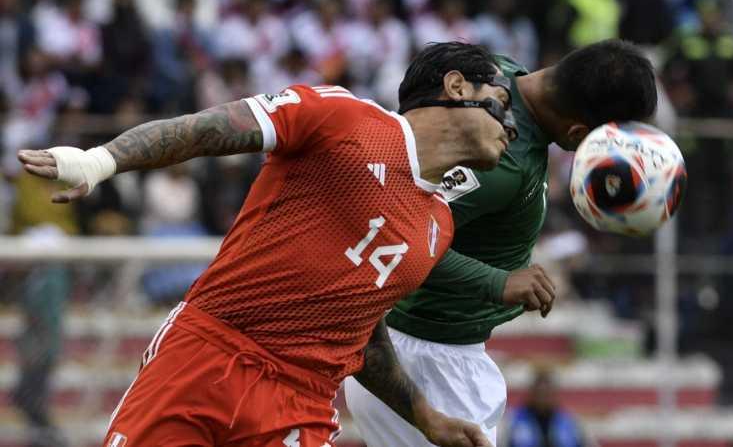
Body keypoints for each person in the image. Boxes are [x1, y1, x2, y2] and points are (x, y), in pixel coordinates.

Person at [18, 41, 542, 447]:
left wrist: (430, 420)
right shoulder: (347, 119)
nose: (513, 127)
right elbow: (208, 130)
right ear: (455, 86)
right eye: (502, 105)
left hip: (301, 401)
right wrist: (103, 159)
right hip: (208, 354)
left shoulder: (437, 225)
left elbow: (362, 331)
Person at [345, 39, 658, 446]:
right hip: (429, 364)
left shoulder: (503, 72)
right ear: (578, 131)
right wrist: (499, 282)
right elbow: (395, 236)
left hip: (441, 356)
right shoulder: (499, 163)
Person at [505, 369, 593, 447]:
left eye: (547, 393)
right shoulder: (515, 420)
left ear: (553, 394)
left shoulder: (568, 420)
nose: (542, 398)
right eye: (539, 393)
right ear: (532, 393)